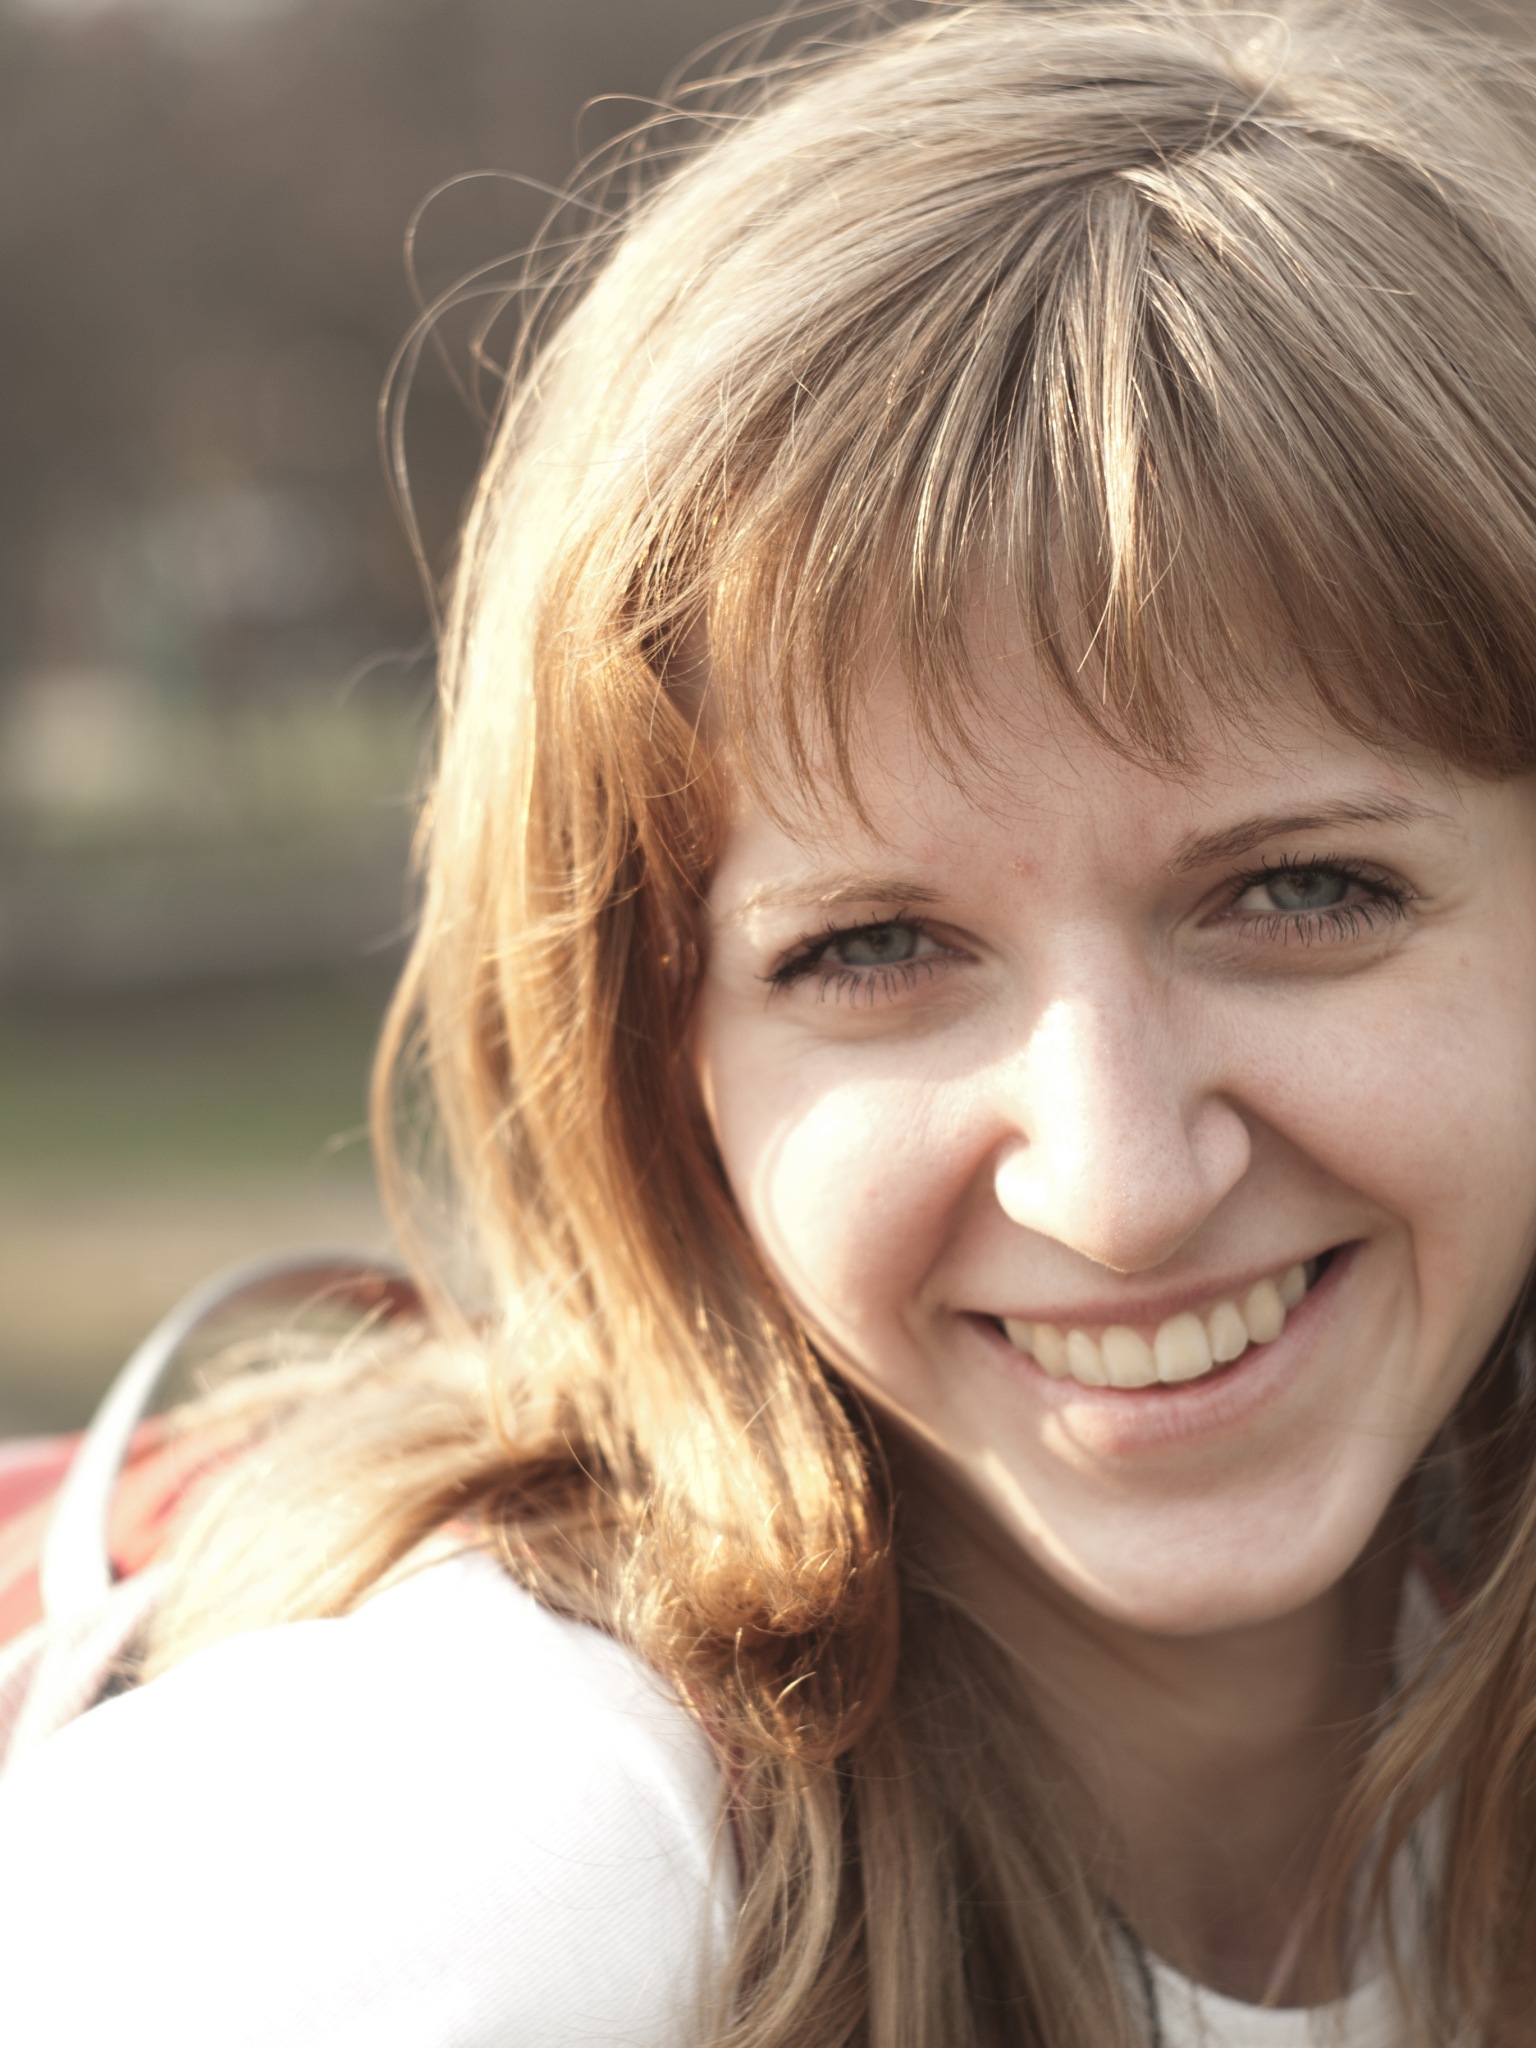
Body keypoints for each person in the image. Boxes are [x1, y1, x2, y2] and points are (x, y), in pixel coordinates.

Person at [4, 1, 1536, 2040]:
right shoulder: (468, 1860)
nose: (1121, 1185)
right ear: (656, 1057)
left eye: (1304, 892)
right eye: (875, 948)